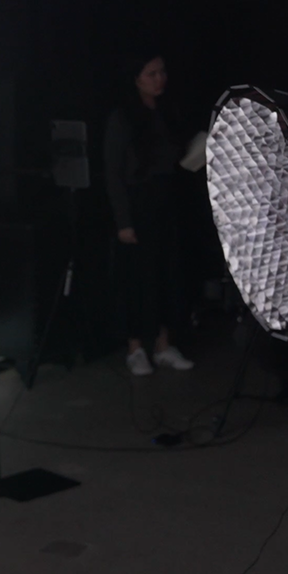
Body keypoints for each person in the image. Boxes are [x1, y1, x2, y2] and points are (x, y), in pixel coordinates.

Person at [104, 53, 195, 376]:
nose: (160, 79)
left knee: (168, 273)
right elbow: (113, 173)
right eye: (151, 73)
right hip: (138, 202)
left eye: (162, 72)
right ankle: (135, 348)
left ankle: (163, 344)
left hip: (167, 201)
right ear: (136, 78)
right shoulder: (122, 118)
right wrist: (124, 221)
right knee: (138, 277)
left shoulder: (168, 112)